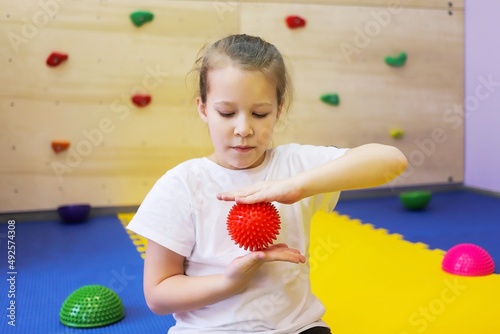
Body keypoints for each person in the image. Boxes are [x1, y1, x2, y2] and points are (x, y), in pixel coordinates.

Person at [127, 34, 408, 333]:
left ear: (279, 109)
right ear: (203, 108)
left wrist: (298, 186)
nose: (244, 129)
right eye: (226, 113)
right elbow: (158, 296)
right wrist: (230, 282)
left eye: (260, 113)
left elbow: (392, 160)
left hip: (297, 327)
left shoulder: (294, 165)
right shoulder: (181, 184)